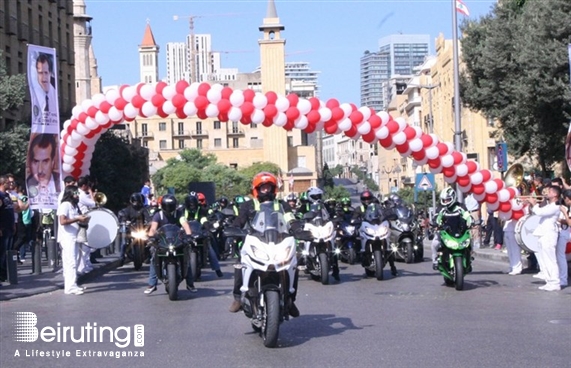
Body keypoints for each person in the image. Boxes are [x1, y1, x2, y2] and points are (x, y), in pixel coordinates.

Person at [228, 172, 301, 316]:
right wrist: (233, 228)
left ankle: (291, 299)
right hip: (255, 241)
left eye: (269, 187)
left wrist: (298, 229)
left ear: (274, 189)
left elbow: (290, 218)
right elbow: (241, 220)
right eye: (263, 188)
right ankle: (238, 297)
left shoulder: (281, 204)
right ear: (257, 189)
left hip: (278, 241)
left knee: (293, 264)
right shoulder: (248, 205)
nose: (266, 190)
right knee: (240, 263)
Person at [144, 194, 196, 294]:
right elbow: (153, 228)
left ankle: (190, 283)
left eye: (170, 206)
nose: (168, 208)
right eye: (166, 206)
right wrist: (150, 237)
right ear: (162, 205)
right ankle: (152, 284)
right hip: (163, 240)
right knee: (154, 257)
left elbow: (185, 224)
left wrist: (189, 235)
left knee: (186, 256)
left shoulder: (179, 214)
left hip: (177, 240)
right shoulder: (158, 215)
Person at [527, 185, 561, 291]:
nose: (547, 192)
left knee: (550, 259)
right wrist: (533, 204)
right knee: (544, 259)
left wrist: (533, 203)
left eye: (549, 191)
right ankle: (549, 281)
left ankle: (555, 282)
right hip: (543, 234)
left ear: (555, 194)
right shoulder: (548, 205)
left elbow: (540, 212)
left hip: (549, 234)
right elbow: (537, 212)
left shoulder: (555, 206)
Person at [57, 185, 89, 295]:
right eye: (75, 193)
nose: (77, 196)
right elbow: (62, 221)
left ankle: (72, 284)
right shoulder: (65, 205)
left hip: (74, 236)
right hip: (67, 237)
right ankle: (70, 287)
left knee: (73, 261)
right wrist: (77, 218)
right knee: (71, 262)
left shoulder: (74, 206)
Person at [182, 193, 223, 278]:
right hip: (186, 234)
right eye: (190, 205)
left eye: (193, 205)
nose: (192, 206)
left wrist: (208, 228)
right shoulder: (182, 211)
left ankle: (217, 268)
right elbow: (179, 222)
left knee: (209, 247)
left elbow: (204, 220)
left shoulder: (201, 210)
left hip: (198, 232)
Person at [431, 187, 473, 271]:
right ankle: (435, 260)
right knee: (435, 243)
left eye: (447, 199)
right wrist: (435, 224)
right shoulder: (441, 208)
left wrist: (471, 221)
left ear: (453, 198)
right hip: (445, 231)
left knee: (470, 241)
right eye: (444, 200)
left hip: (459, 231)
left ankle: (470, 257)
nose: (445, 202)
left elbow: (467, 216)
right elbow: (437, 217)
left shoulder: (461, 206)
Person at [26, 133, 61, 206]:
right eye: (36, 161)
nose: (40, 170)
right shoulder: (27, 183)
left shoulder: (60, 182)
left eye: (45, 161)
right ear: (30, 163)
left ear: (52, 163)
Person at [118, 193, 152, 266]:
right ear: (131, 201)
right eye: (134, 201)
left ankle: (150, 256)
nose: (136, 203)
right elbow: (124, 215)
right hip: (131, 229)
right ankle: (122, 257)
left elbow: (148, 216)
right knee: (124, 242)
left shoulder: (143, 209)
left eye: (137, 201)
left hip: (142, 229)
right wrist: (125, 220)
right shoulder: (128, 209)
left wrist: (150, 221)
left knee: (150, 240)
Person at [76, 176, 96, 273]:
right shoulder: (82, 195)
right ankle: (84, 266)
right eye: (87, 185)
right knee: (85, 245)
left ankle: (85, 264)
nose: (88, 187)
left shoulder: (78, 193)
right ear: (83, 185)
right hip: (83, 220)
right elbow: (93, 204)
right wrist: (91, 192)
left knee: (85, 245)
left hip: (82, 219)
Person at [0, 175, 16, 283]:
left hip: (9, 227)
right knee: (1, 254)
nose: (9, 184)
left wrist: (13, 225)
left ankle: (4, 275)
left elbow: (12, 210)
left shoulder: (7, 195)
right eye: (6, 182)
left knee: (5, 253)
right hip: (3, 228)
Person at [557, 189, 571, 288]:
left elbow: (570, 223)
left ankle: (563, 279)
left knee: (561, 257)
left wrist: (564, 212)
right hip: (565, 233)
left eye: (565, 198)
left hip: (567, 234)